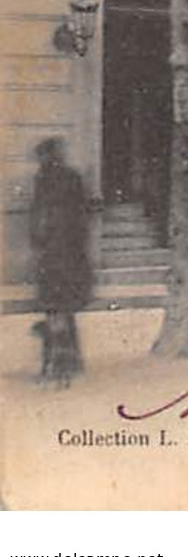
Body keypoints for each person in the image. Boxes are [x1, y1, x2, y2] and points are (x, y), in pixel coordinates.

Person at [29, 138, 93, 386]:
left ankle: (59, 365)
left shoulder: (57, 180)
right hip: (58, 254)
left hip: (62, 255)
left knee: (57, 310)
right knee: (58, 310)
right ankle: (66, 363)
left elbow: (71, 217)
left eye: (45, 155)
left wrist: (42, 237)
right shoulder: (50, 179)